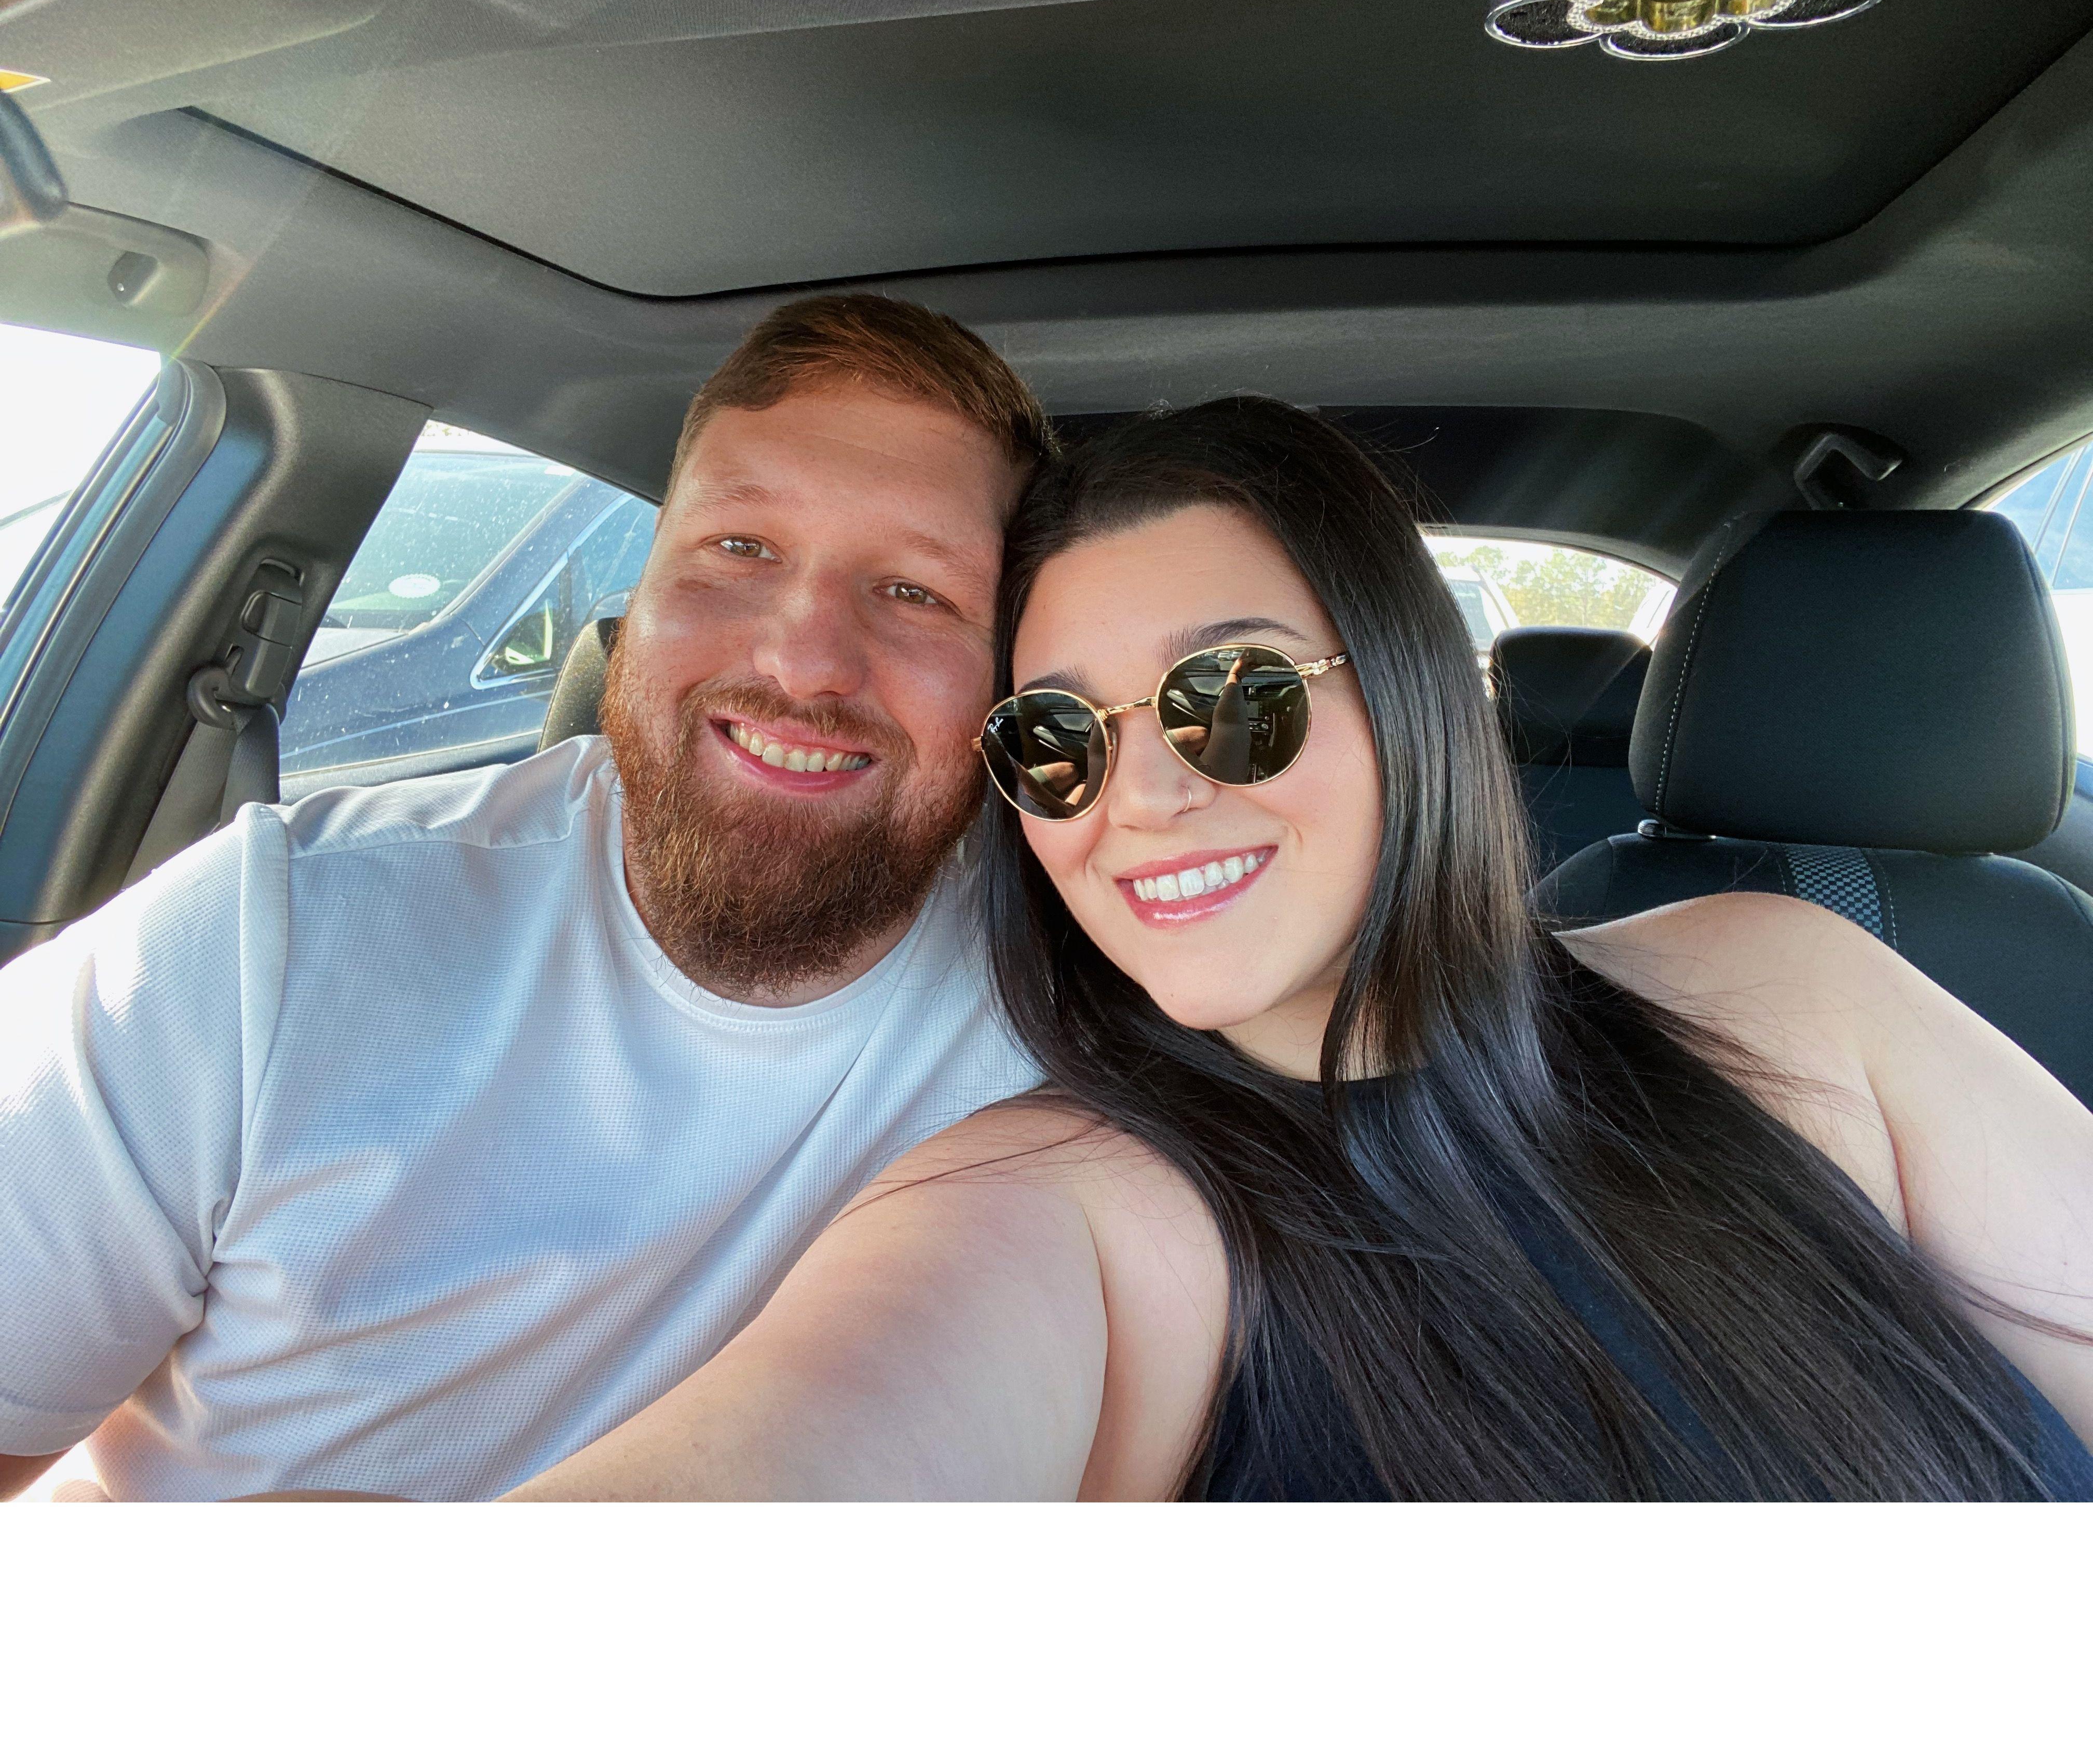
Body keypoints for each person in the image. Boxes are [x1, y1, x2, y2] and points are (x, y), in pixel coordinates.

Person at [505, 396, 2093, 1501]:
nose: (1141, 796)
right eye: (1057, 740)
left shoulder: (1793, 988)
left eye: (1234, 699)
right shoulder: (1066, 1210)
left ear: (1409, 691)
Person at [0, 294, 1050, 1502]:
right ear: (637, 591)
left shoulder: (1080, 997)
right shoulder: (269, 936)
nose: (804, 660)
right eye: (740, 549)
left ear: (1013, 677)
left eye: (916, 591)